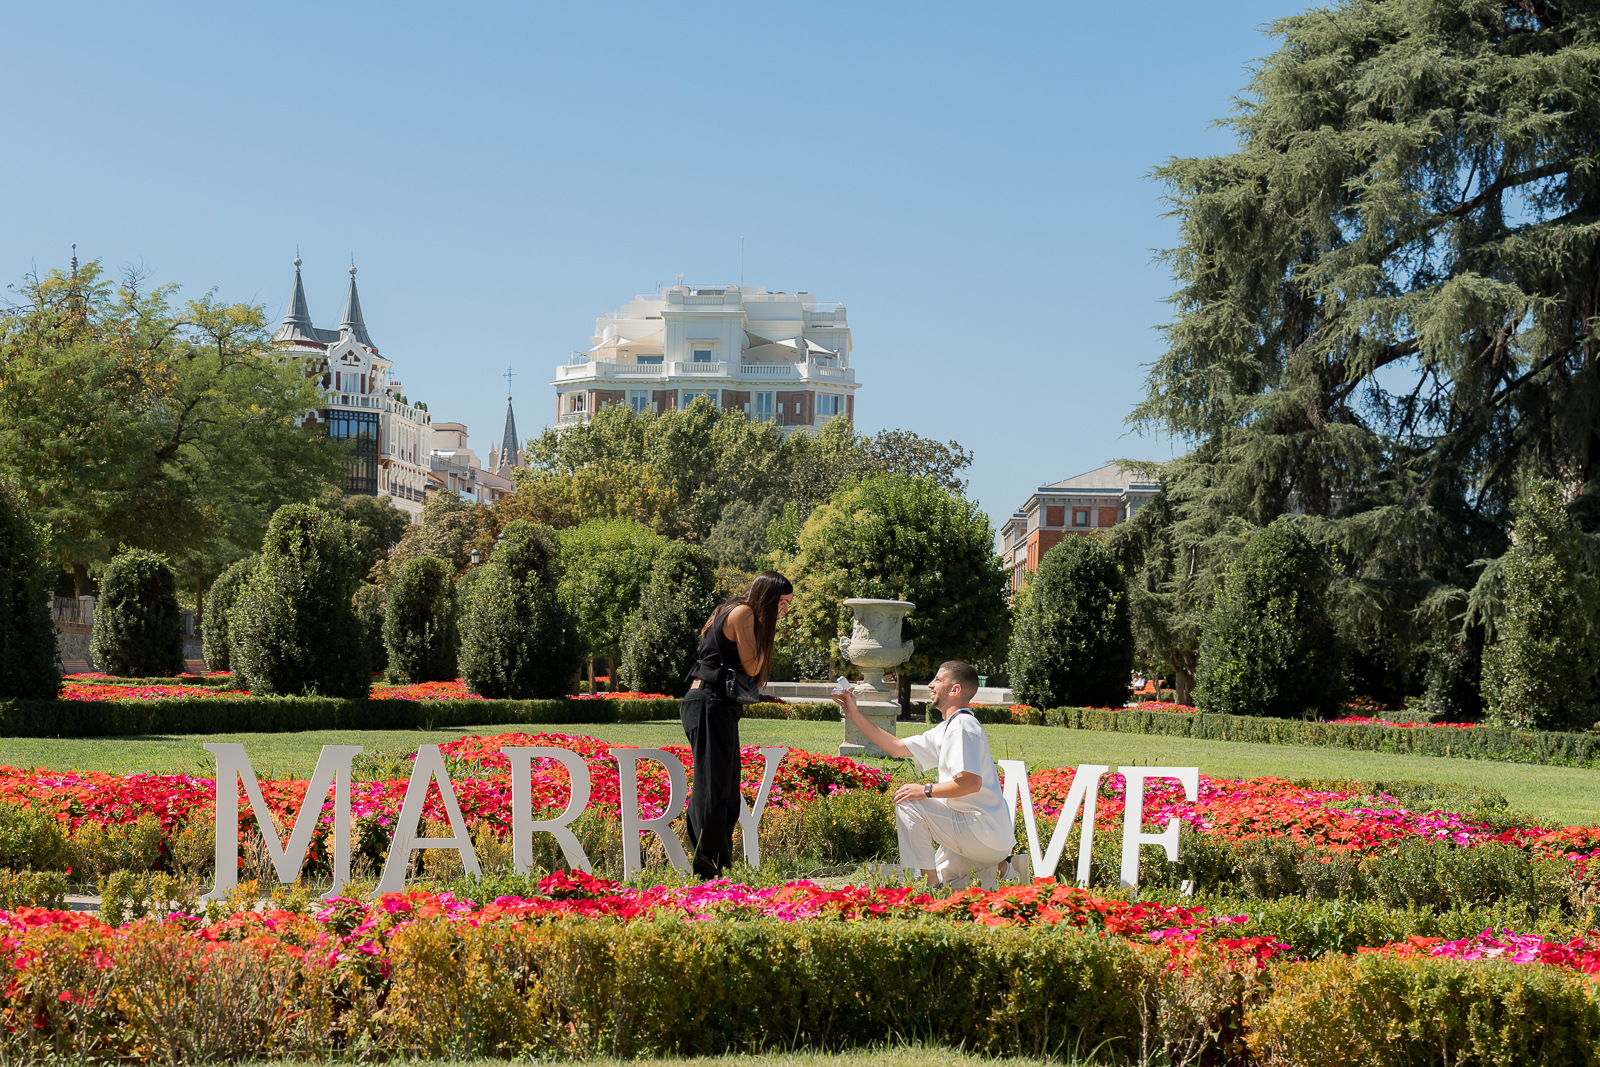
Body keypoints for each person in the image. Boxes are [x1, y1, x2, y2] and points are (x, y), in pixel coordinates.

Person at [833, 659, 1015, 887]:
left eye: (938, 679)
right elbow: (896, 747)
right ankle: (1004, 870)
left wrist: (925, 791)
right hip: (984, 835)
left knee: (908, 800)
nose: (930, 684)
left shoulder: (962, 727)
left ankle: (930, 886)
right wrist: (854, 715)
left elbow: (970, 783)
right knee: (956, 880)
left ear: (955, 689)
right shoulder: (950, 727)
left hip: (981, 832)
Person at [681, 570, 794, 877]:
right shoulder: (744, 613)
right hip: (709, 704)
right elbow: (753, 665)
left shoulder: (733, 609)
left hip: (715, 706)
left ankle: (716, 865)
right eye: (782, 603)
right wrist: (768, 628)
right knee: (713, 789)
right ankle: (708, 868)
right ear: (768, 598)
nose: (785, 610)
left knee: (726, 790)